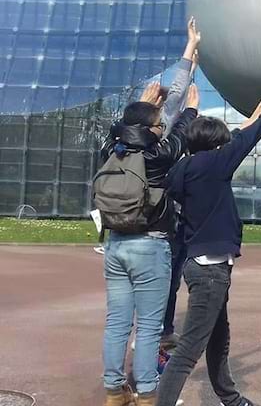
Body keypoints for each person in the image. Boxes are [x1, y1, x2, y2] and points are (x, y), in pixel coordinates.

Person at [155, 89, 261, 406]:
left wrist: (253, 118)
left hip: (199, 264)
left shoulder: (182, 170)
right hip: (211, 270)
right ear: (216, 145)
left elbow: (236, 139)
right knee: (189, 349)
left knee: (218, 337)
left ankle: (230, 397)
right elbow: (244, 142)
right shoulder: (215, 165)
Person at [100, 84, 200, 406]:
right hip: (150, 245)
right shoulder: (157, 155)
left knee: (117, 322)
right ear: (150, 130)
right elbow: (182, 134)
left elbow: (125, 129)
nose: (162, 128)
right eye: (159, 124)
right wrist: (191, 110)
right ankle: (146, 393)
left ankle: (114, 392)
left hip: (116, 244)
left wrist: (141, 106)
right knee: (148, 327)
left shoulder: (111, 150)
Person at [162, 18, 201, 348]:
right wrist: (189, 48)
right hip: (169, 220)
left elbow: (174, 96)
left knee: (157, 282)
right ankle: (159, 334)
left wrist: (190, 58)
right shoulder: (165, 144)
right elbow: (177, 97)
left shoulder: (126, 142)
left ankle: (155, 332)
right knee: (170, 277)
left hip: (139, 224)